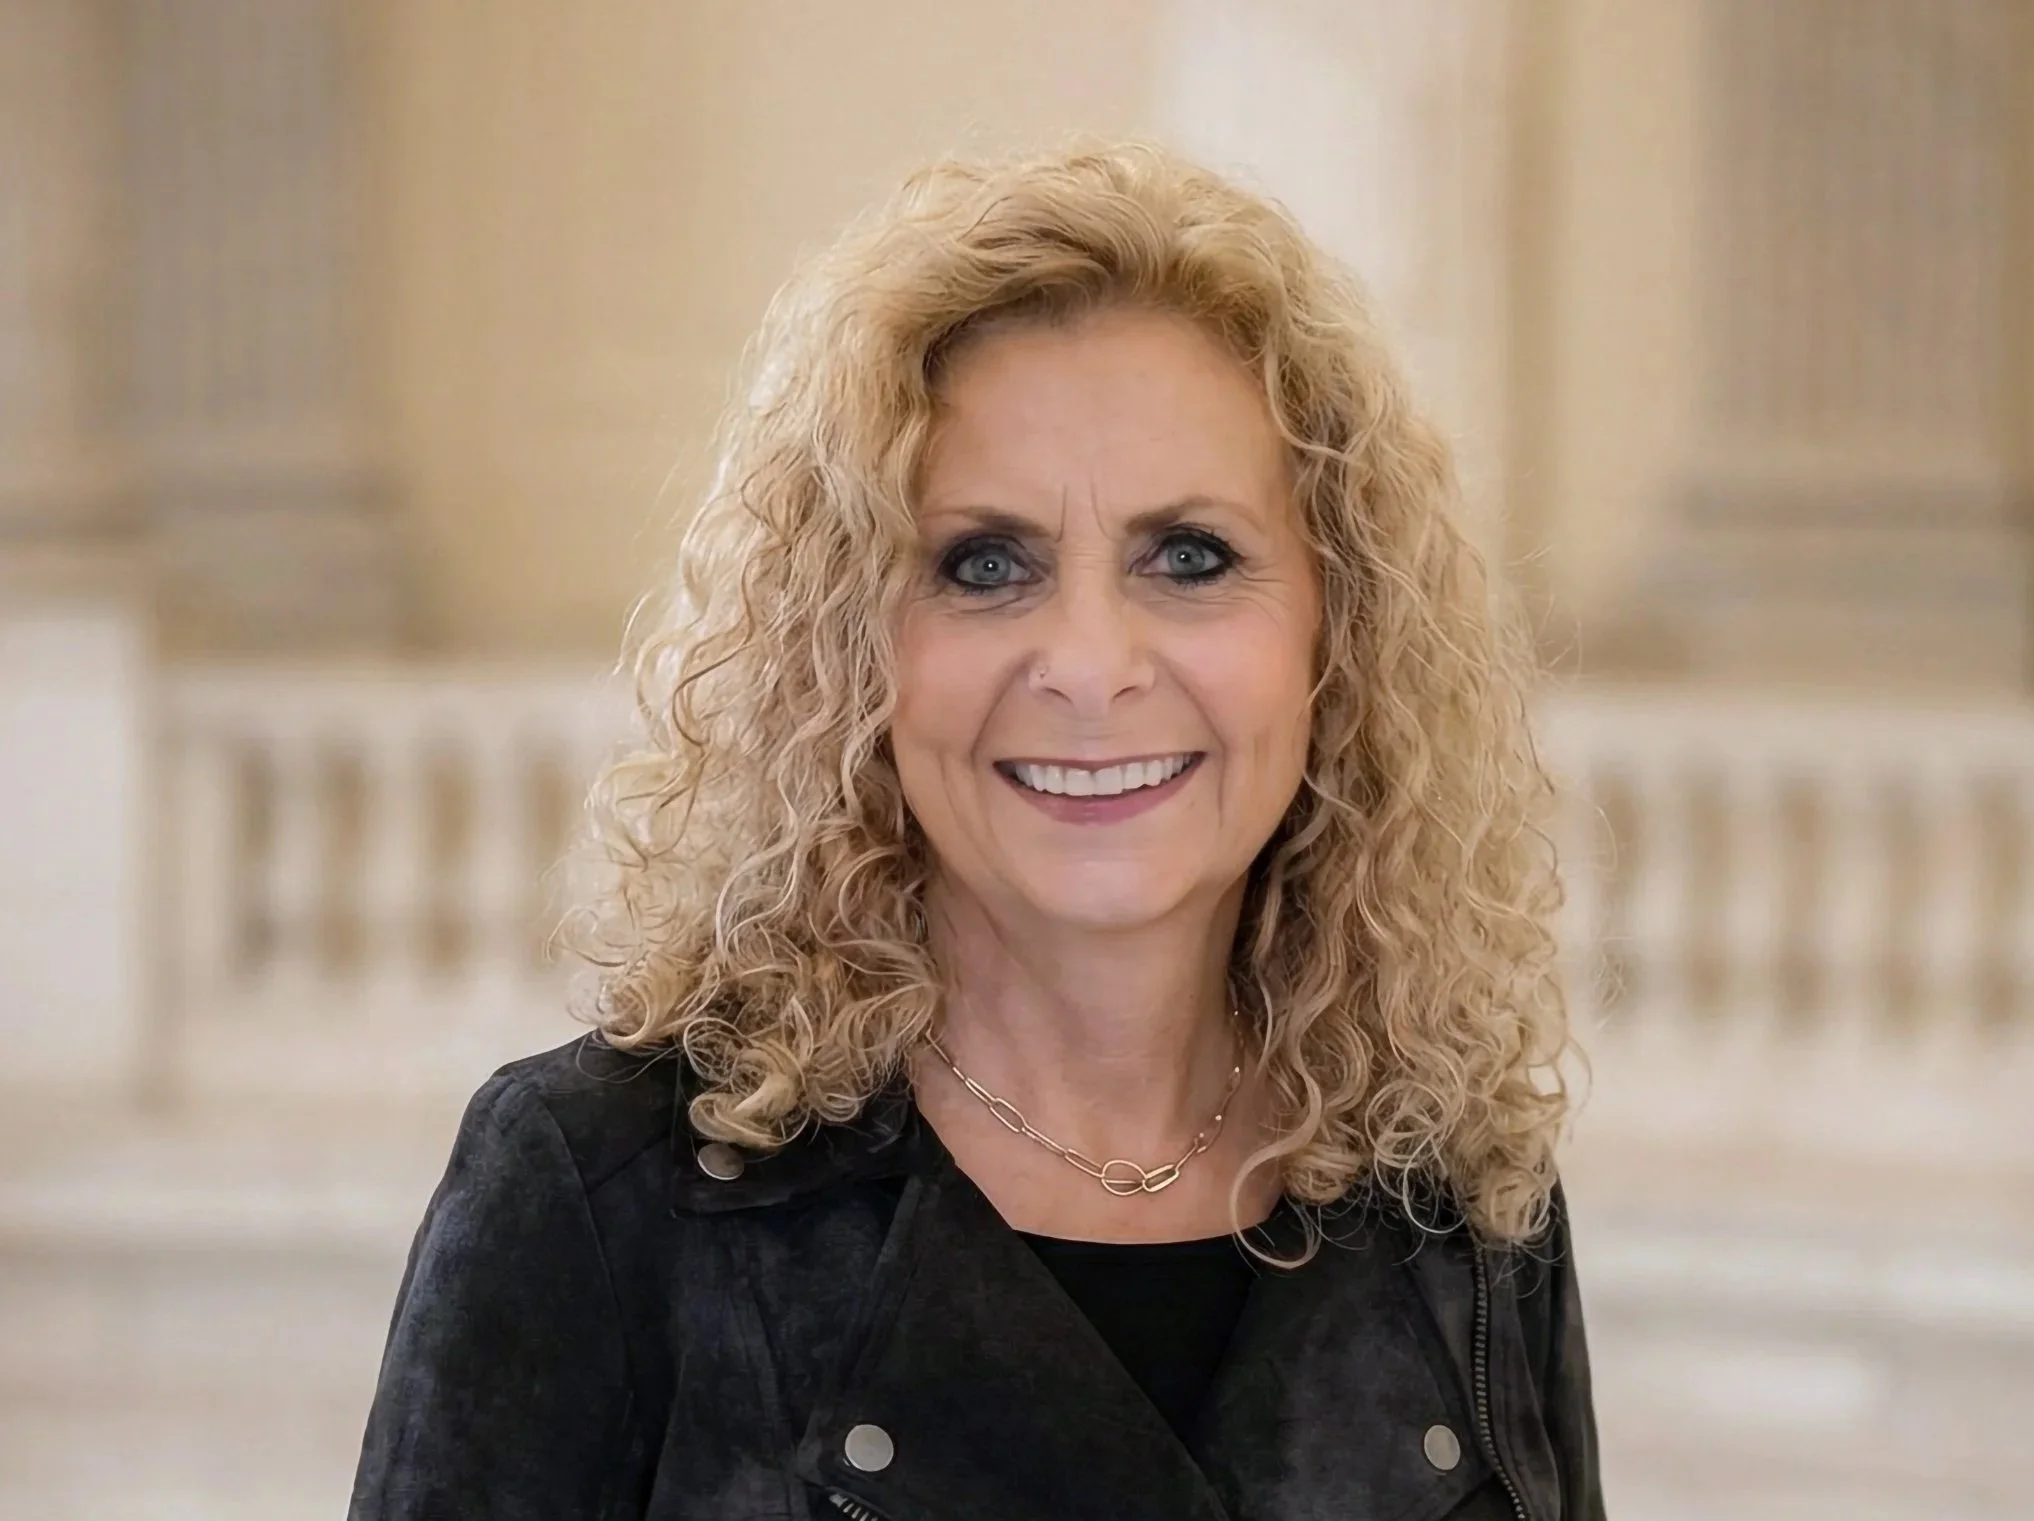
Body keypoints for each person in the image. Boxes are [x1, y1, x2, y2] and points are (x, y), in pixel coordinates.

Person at [349, 139, 1600, 1521]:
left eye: (1188, 556)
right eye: (982, 565)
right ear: (848, 651)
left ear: (1334, 629)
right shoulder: (602, 1190)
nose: (1087, 663)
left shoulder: (1461, 1207)